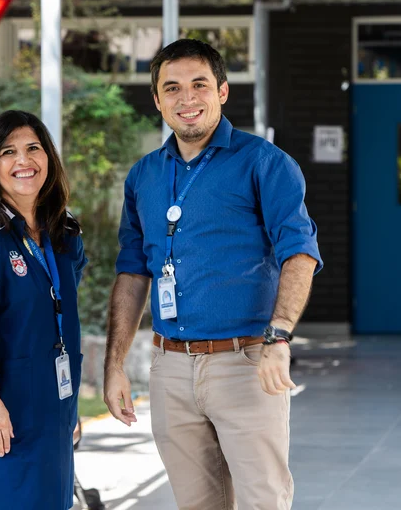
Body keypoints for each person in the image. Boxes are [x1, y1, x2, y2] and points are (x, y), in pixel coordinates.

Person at [103, 39, 323, 510]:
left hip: (245, 364)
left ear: (222, 92)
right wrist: (114, 364)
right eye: (173, 88)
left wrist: (278, 338)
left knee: (263, 501)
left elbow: (299, 254)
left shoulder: (264, 162)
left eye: (199, 85)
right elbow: (132, 270)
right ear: (157, 100)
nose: (187, 99)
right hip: (170, 369)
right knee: (196, 504)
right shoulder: (143, 175)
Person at [0, 110, 88, 510]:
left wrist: (70, 404)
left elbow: (63, 317)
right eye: (8, 152)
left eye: (33, 149)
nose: (23, 161)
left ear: (49, 159)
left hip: (52, 405)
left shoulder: (62, 232)